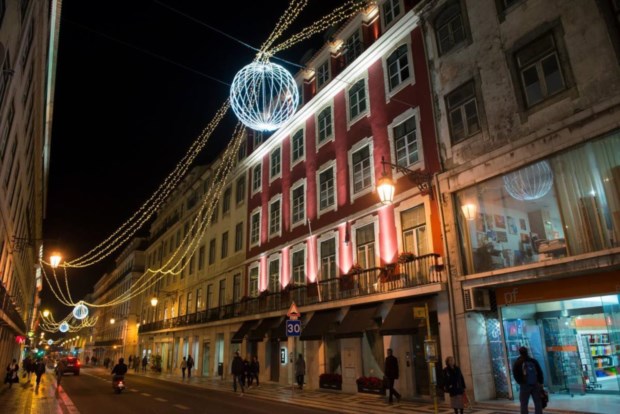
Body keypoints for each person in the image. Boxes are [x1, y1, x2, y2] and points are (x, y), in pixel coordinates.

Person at [513, 346, 544, 414]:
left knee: (524, 403)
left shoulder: (518, 362)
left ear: (520, 353)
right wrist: (541, 382)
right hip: (535, 384)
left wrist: (520, 382)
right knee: (537, 402)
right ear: (527, 352)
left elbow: (515, 374)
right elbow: (540, 372)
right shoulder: (533, 361)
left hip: (524, 385)